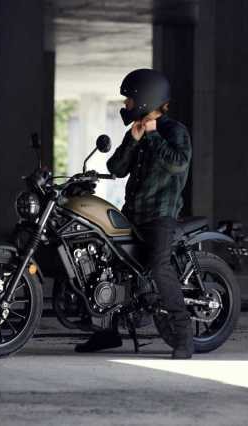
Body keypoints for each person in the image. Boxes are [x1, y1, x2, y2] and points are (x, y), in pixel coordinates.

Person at [74, 68, 194, 359]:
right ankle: (107, 333)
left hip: (160, 217)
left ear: (145, 99)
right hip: (132, 215)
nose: (125, 104)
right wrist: (133, 139)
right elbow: (116, 168)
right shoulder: (138, 131)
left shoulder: (174, 131)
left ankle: (184, 338)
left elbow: (177, 164)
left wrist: (152, 136)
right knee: (108, 266)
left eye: (129, 99)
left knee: (159, 268)